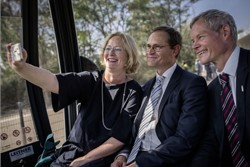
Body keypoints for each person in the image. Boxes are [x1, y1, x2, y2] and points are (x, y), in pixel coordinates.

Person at [6, 32, 143, 167]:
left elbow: (119, 139)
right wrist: (22, 67)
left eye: (118, 49)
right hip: (71, 153)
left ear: (129, 56)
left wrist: (85, 159)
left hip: (103, 158)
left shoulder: (133, 92)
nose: (111, 53)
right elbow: (53, 81)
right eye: (108, 48)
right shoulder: (91, 79)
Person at [111, 26, 208, 167]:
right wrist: (122, 156)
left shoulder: (192, 84)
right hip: (132, 159)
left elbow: (185, 139)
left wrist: (140, 164)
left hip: (163, 162)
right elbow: (135, 133)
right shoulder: (145, 87)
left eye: (156, 47)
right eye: (148, 46)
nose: (150, 52)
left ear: (175, 50)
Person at [190, 9, 250, 167]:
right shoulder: (212, 90)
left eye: (200, 37)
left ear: (225, 32)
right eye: (192, 40)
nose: (194, 46)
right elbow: (210, 141)